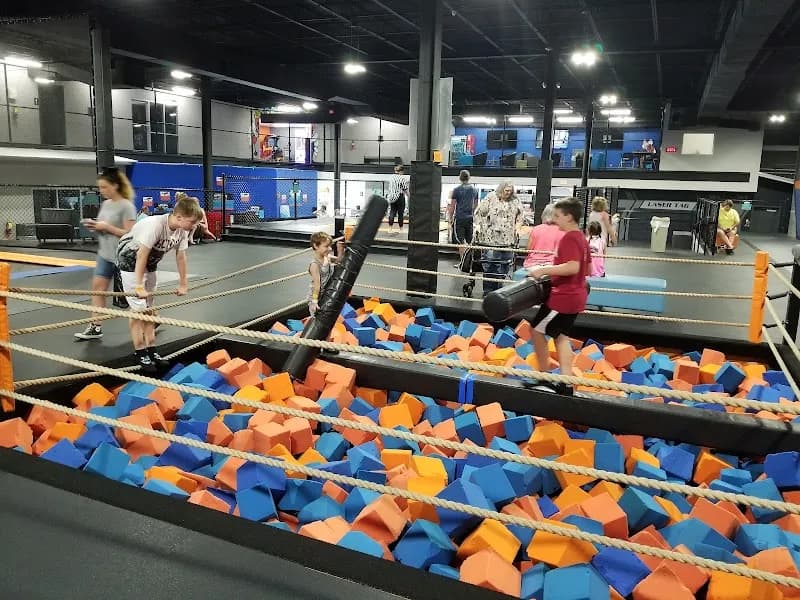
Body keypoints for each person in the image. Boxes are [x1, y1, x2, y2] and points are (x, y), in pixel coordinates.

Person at [116, 194, 204, 373]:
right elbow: (141, 255)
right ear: (179, 217)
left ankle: (152, 350)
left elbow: (181, 256)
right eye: (192, 221)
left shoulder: (182, 230)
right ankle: (139, 351)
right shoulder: (155, 225)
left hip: (150, 261)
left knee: (149, 306)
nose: (194, 226)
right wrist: (139, 285)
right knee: (139, 310)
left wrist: (183, 283)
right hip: (130, 258)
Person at [527, 197, 592, 394]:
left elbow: (574, 267)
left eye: (557, 215)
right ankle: (566, 382)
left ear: (569, 217)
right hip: (576, 295)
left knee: (537, 330)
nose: (553, 219)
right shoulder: (581, 237)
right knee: (561, 336)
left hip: (563, 298)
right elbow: (587, 269)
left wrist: (543, 270)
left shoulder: (570, 238)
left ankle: (544, 377)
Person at [74, 167, 137, 341]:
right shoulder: (106, 204)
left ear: (115, 186)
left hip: (122, 257)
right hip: (105, 254)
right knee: (97, 290)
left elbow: (130, 234)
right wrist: (94, 225)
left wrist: (106, 227)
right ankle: (95, 327)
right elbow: (104, 226)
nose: (101, 191)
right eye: (100, 188)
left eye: (104, 187)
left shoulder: (127, 206)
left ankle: (151, 319)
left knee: (133, 296)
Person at [473, 181, 524, 296]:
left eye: (510, 190)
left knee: (505, 263)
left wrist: (518, 228)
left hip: (508, 240)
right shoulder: (491, 196)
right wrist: (478, 226)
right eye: (506, 190)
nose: (508, 193)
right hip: (491, 239)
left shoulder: (515, 200)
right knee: (490, 264)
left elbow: (521, 216)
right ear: (501, 189)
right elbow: (479, 212)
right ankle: (488, 291)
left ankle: (499, 288)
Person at [447, 169, 478, 262]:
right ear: (469, 178)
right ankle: (469, 263)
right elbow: (476, 204)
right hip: (469, 218)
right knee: (469, 241)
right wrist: (471, 212)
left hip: (459, 218)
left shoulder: (456, 190)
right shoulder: (474, 190)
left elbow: (452, 206)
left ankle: (463, 263)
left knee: (461, 241)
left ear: (460, 178)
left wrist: (450, 218)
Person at [308, 231, 341, 317]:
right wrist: (314, 301)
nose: (330, 249)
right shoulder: (314, 265)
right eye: (326, 246)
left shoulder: (327, 257)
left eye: (330, 246)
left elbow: (340, 260)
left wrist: (340, 249)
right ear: (316, 246)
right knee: (317, 319)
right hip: (317, 296)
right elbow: (317, 285)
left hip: (327, 293)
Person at [524, 204, 565, 268]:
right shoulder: (562, 231)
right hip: (553, 265)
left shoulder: (536, 229)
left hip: (532, 265)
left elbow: (528, 249)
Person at [386, 165, 409, 235]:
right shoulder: (402, 178)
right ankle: (401, 229)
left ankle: (390, 228)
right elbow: (405, 189)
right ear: (401, 171)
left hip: (392, 197)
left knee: (392, 212)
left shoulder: (391, 177)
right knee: (400, 214)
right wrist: (409, 196)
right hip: (399, 196)